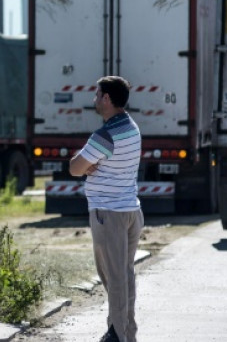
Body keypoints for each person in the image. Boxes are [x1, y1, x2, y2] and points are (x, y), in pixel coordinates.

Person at [69, 76, 143, 342]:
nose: (94, 100)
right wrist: (87, 163)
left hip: (107, 213)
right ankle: (126, 332)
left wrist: (84, 164)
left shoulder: (105, 135)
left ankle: (117, 335)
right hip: (130, 211)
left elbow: (75, 168)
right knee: (124, 275)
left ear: (107, 99)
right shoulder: (132, 127)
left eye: (97, 94)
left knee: (114, 278)